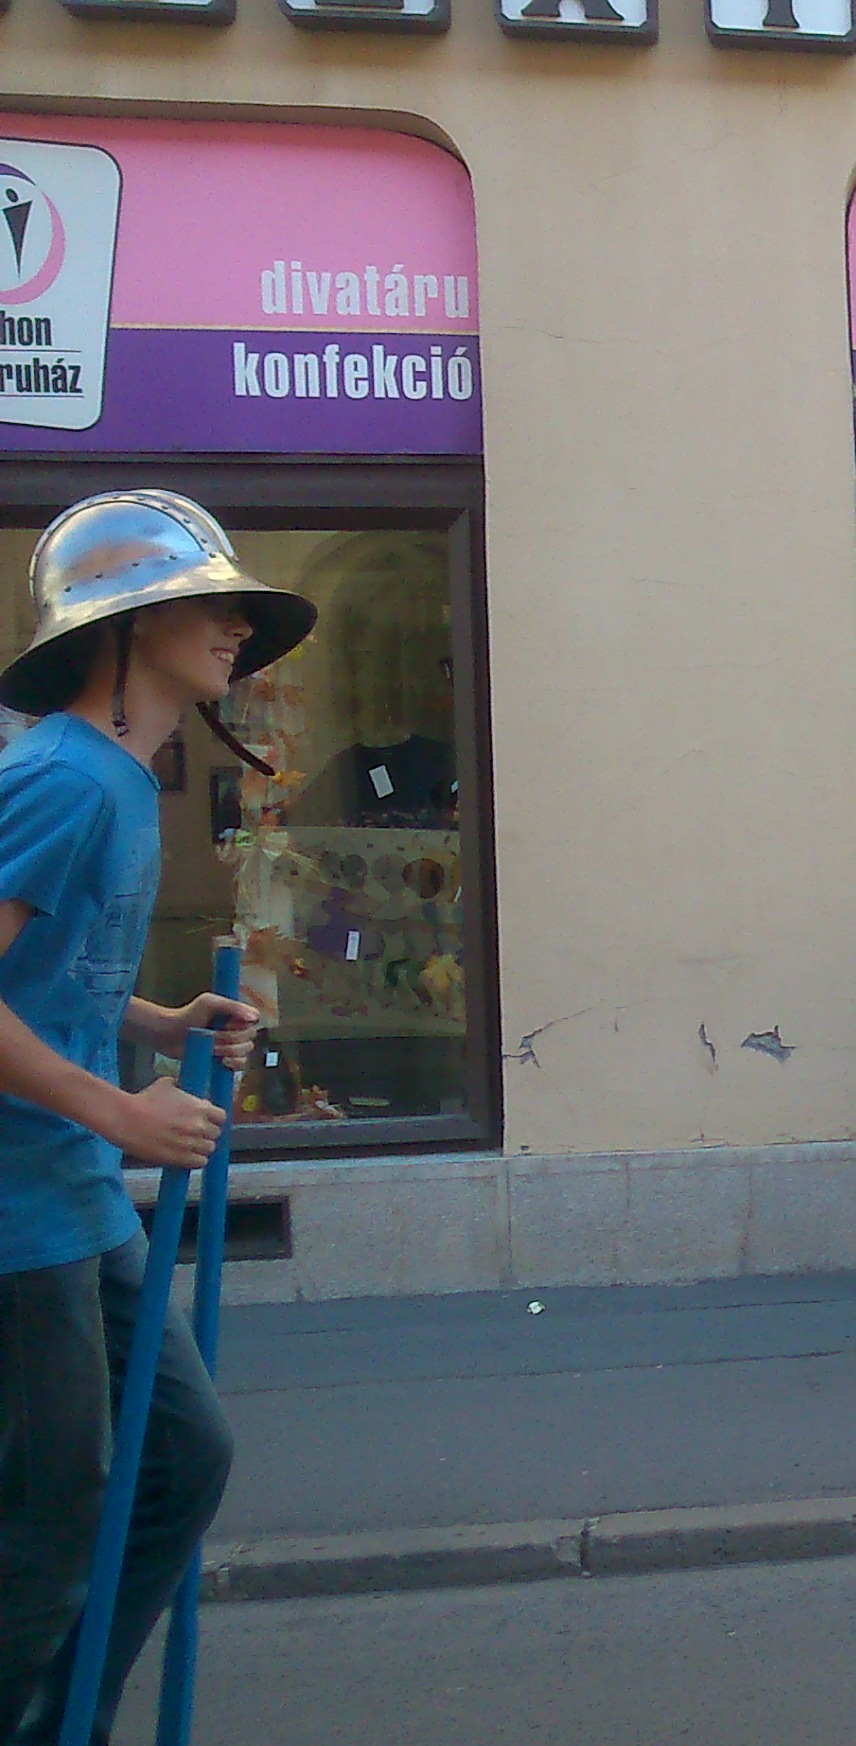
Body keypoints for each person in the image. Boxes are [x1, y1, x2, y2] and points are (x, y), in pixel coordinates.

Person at [0, 491, 310, 1744]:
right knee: (49, 1521)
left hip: (70, 1189)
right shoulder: (60, 781)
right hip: (17, 1212)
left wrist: (156, 1023)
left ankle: (65, 1722)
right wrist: (122, 1117)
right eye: (205, 604)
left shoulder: (119, 781)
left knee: (178, 1462)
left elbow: (44, 977)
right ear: (121, 626)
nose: (235, 627)